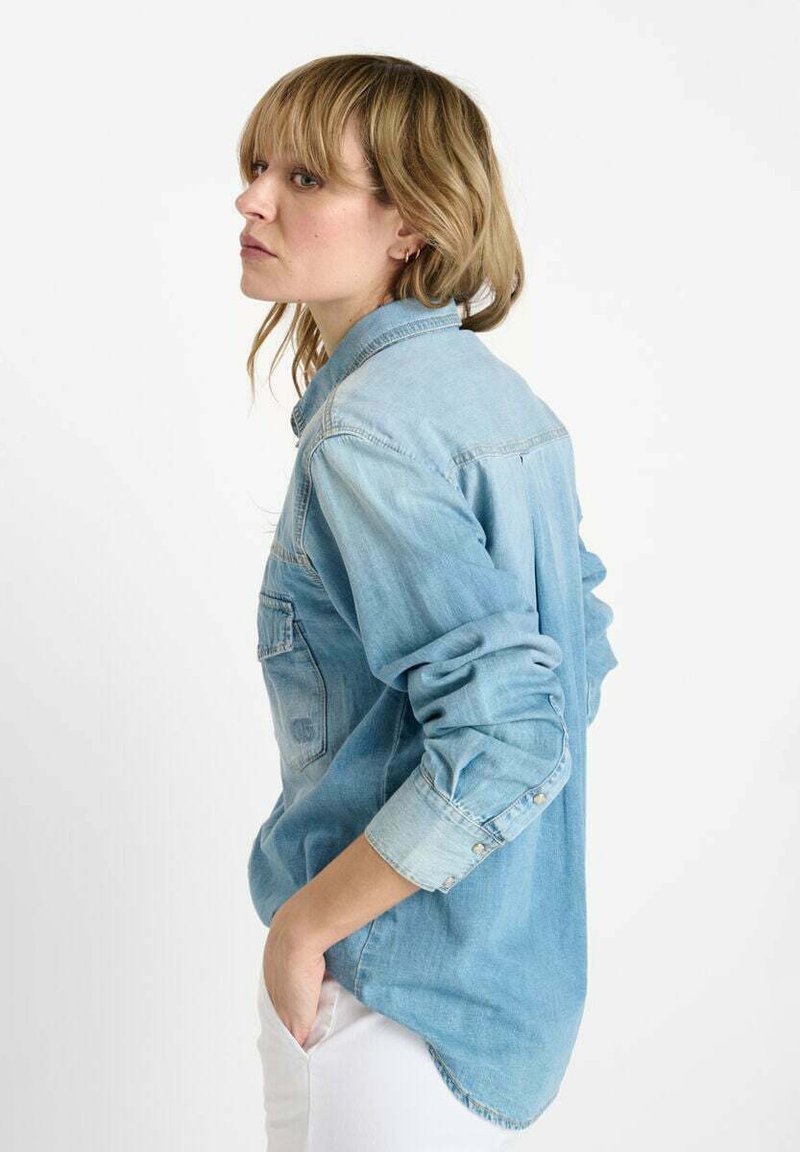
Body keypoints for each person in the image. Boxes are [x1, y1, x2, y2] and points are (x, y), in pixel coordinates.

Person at [235, 53, 618, 1152]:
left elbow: (510, 732)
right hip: (496, 990)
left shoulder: (367, 431)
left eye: (305, 178)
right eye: (255, 167)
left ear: (408, 221)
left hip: (384, 999)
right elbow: (574, 658)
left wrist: (303, 927)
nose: (252, 200)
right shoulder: (493, 399)